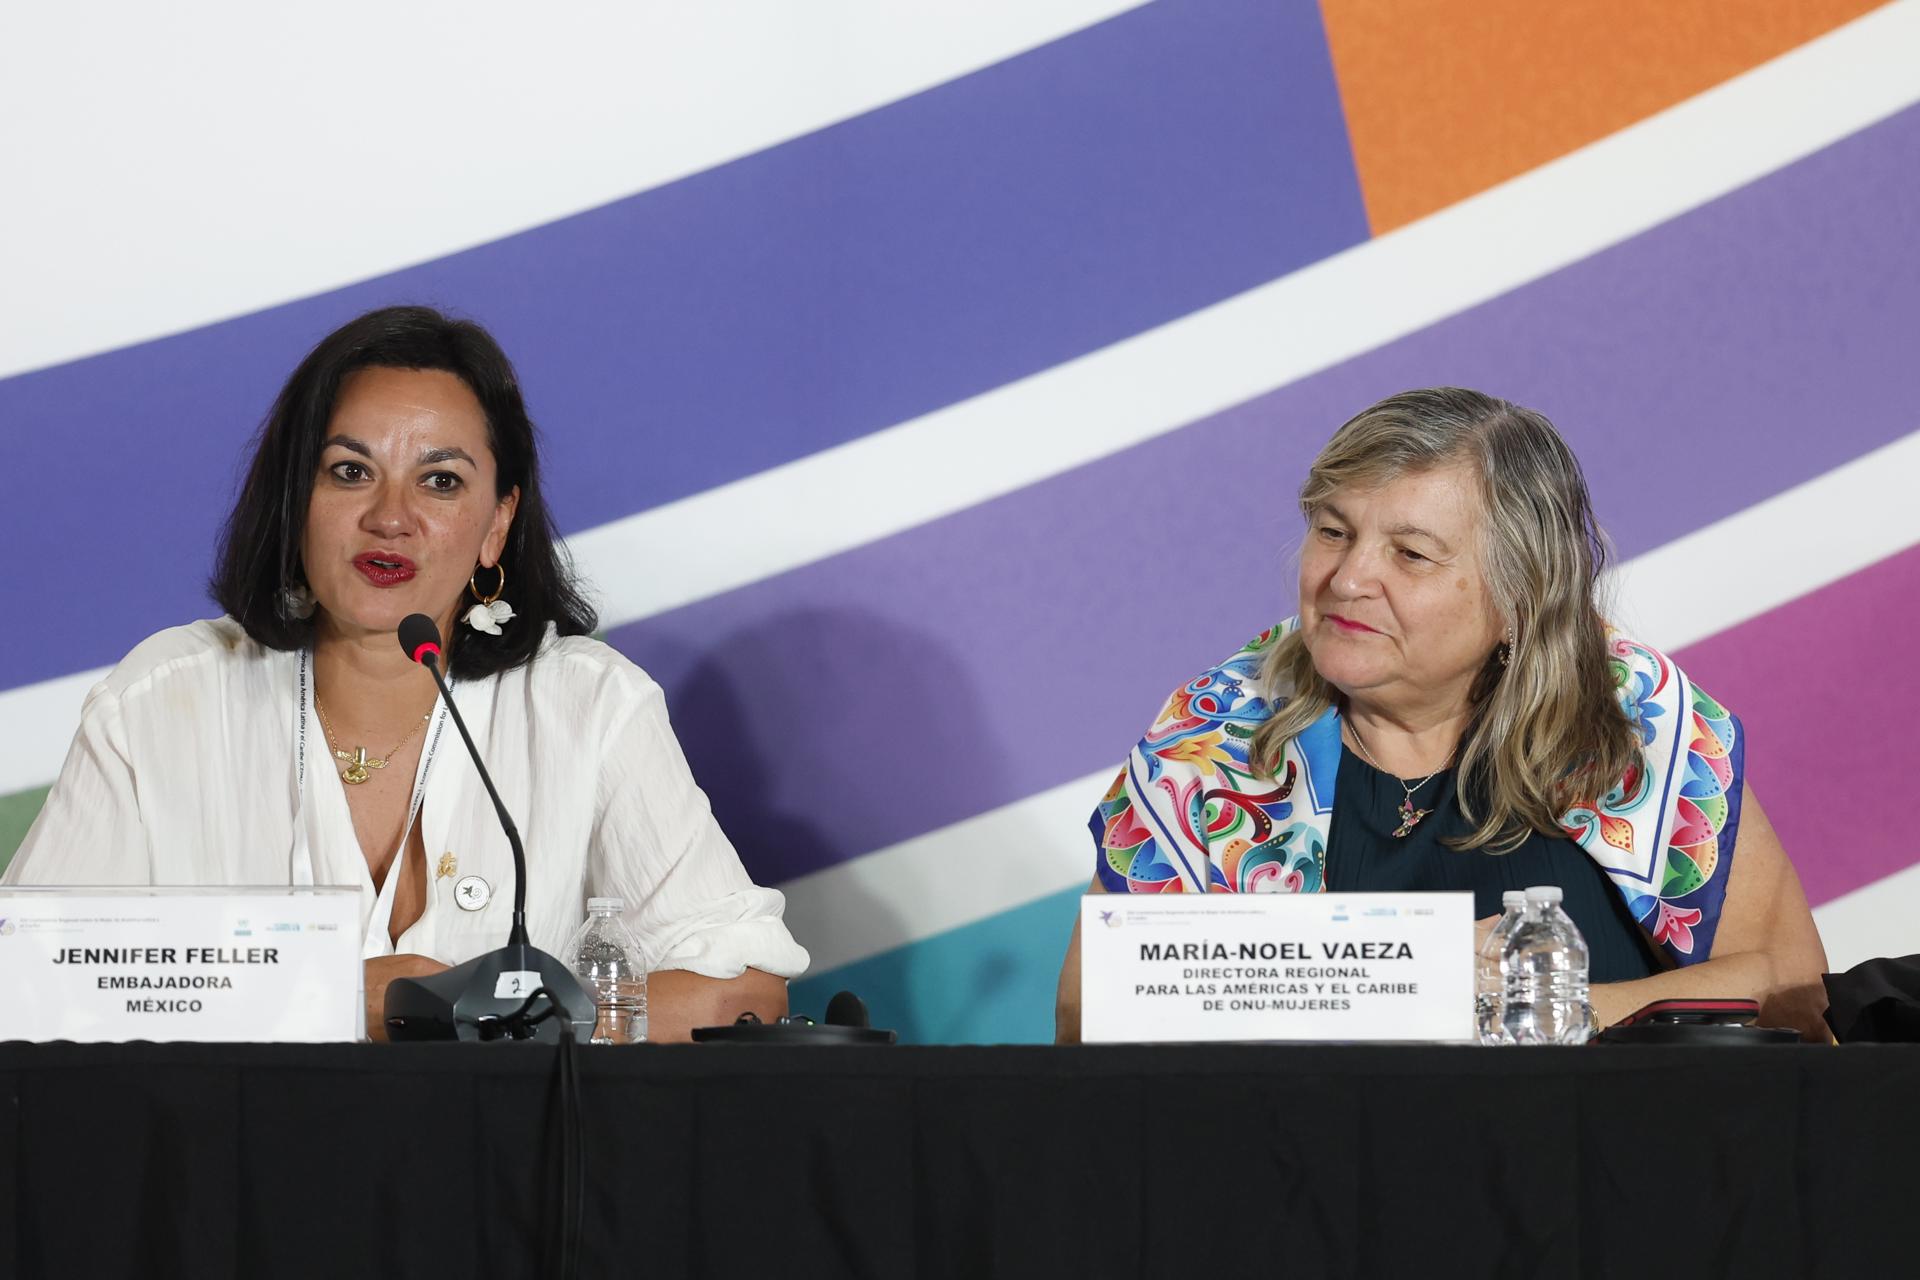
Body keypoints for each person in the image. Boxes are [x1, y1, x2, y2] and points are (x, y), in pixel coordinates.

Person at [5, 305, 808, 1040]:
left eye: (441, 481)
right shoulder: (165, 700)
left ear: (496, 526)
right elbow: (24, 982)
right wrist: (325, 996)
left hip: (508, 1186)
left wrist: (491, 1018)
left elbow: (738, 990)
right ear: (296, 500)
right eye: (349, 471)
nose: (391, 516)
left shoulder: (586, 706)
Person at [1054, 388, 1828, 1042]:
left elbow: (1792, 993)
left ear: (1521, 597)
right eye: (1333, 531)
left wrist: (1527, 1012)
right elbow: (1093, 1017)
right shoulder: (1217, 734)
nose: (1347, 578)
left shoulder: (1630, 715)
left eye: (1411, 554)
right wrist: (1423, 977)